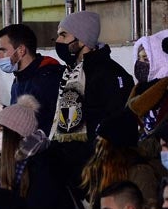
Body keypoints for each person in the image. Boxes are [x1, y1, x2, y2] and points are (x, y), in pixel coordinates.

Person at [51, 11, 134, 154]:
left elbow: (116, 122)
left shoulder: (110, 74)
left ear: (82, 40)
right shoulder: (69, 73)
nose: (58, 40)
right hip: (70, 158)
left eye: (63, 35)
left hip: (96, 159)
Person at [0, 23, 63, 135]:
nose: (0, 57)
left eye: (4, 51)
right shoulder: (18, 79)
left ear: (21, 50)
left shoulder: (49, 78)